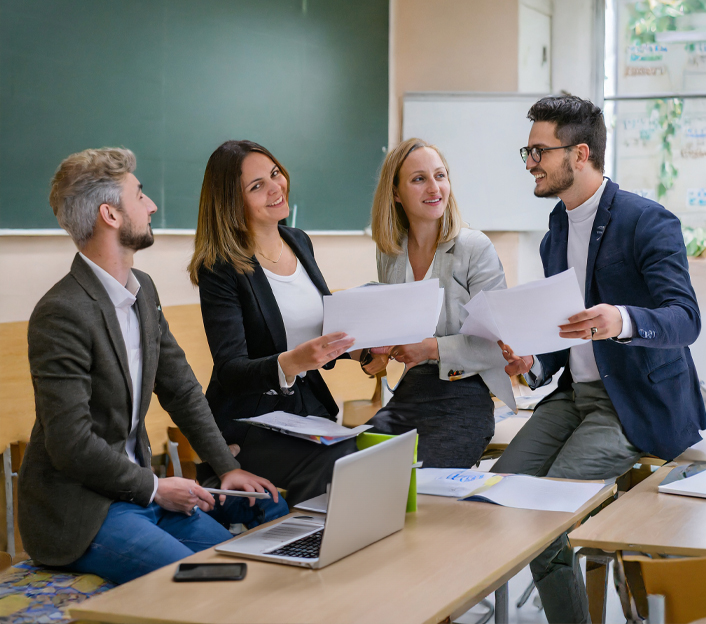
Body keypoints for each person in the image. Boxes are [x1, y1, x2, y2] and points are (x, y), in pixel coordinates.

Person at [18, 148, 287, 586]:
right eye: (140, 196)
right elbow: (70, 444)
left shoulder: (142, 288)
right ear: (111, 214)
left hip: (141, 496)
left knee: (251, 553)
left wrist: (226, 468)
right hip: (84, 510)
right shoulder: (61, 312)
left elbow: (180, 388)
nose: (151, 205)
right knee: (213, 578)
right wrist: (156, 488)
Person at [493, 95, 706, 623]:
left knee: (548, 525)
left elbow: (685, 319)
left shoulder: (646, 221)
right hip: (574, 398)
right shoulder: (556, 231)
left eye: (538, 151)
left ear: (580, 153)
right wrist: (532, 363)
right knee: (494, 503)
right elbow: (560, 335)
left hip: (633, 402)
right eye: (528, 151)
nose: (529, 163)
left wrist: (624, 320)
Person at [188, 140, 361, 506]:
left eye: (275, 174)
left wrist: (360, 351)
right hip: (250, 421)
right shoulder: (219, 266)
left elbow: (314, 338)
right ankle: (308, 551)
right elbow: (231, 370)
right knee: (337, 463)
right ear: (232, 202)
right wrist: (294, 362)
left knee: (369, 454)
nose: (275, 187)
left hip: (306, 410)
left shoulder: (298, 241)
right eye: (256, 186)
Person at [365, 138, 515, 468]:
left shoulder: (475, 248)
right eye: (419, 179)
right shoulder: (390, 253)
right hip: (410, 395)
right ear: (395, 193)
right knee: (357, 469)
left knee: (420, 484)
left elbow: (499, 344)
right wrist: (373, 352)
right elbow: (393, 325)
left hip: (463, 397)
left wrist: (431, 348)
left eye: (440, 175)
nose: (435, 188)